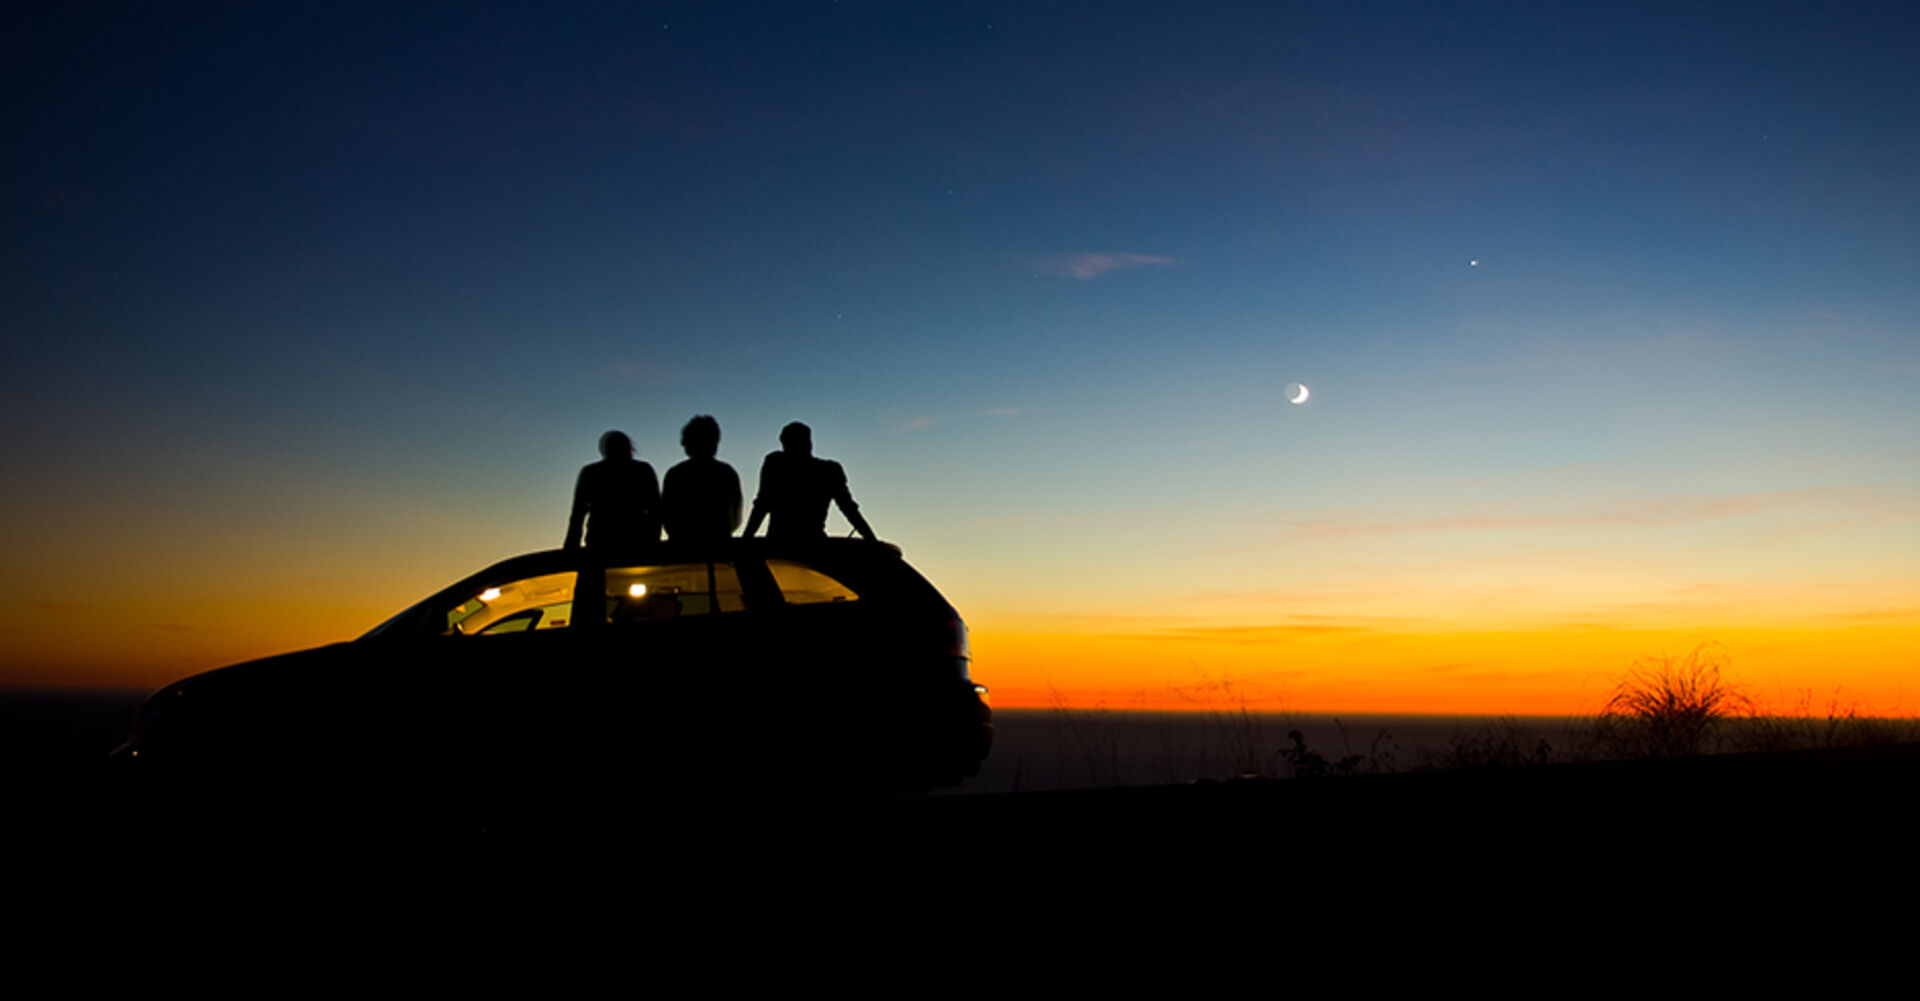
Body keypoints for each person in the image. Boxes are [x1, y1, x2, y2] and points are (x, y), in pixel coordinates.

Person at [742, 421, 876, 541]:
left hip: (782, 544)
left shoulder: (775, 463)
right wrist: (871, 539)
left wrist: (746, 539)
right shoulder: (828, 470)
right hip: (803, 544)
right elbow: (849, 509)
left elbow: (762, 504)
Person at [563, 430, 660, 550]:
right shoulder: (643, 470)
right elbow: (655, 509)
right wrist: (653, 540)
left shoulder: (591, 472)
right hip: (635, 539)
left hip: (601, 539)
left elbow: (578, 513)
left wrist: (571, 543)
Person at [661, 415, 743, 542]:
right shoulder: (727, 472)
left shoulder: (676, 473)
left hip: (682, 543)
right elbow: (735, 516)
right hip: (719, 541)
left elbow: (667, 514)